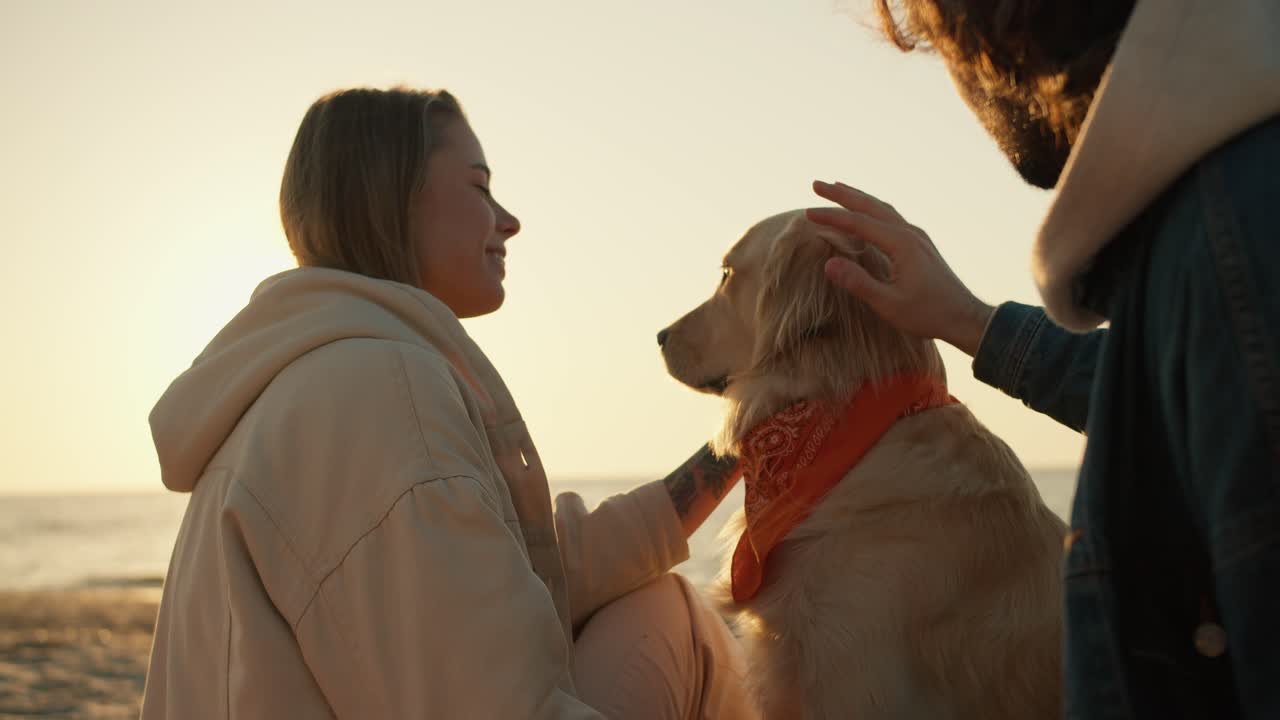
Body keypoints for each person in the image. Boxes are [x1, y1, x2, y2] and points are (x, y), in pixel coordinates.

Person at [139, 87, 757, 719]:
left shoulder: (315, 379)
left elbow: (519, 571)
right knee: (675, 619)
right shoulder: (378, 392)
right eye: (480, 187)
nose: (508, 221)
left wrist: (741, 444)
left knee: (652, 600)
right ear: (393, 198)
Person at [806, 0, 1280, 717]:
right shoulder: (1220, 213)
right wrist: (965, 319)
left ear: (993, 30)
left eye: (936, 44)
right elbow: (1169, 397)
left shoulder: (1234, 244)